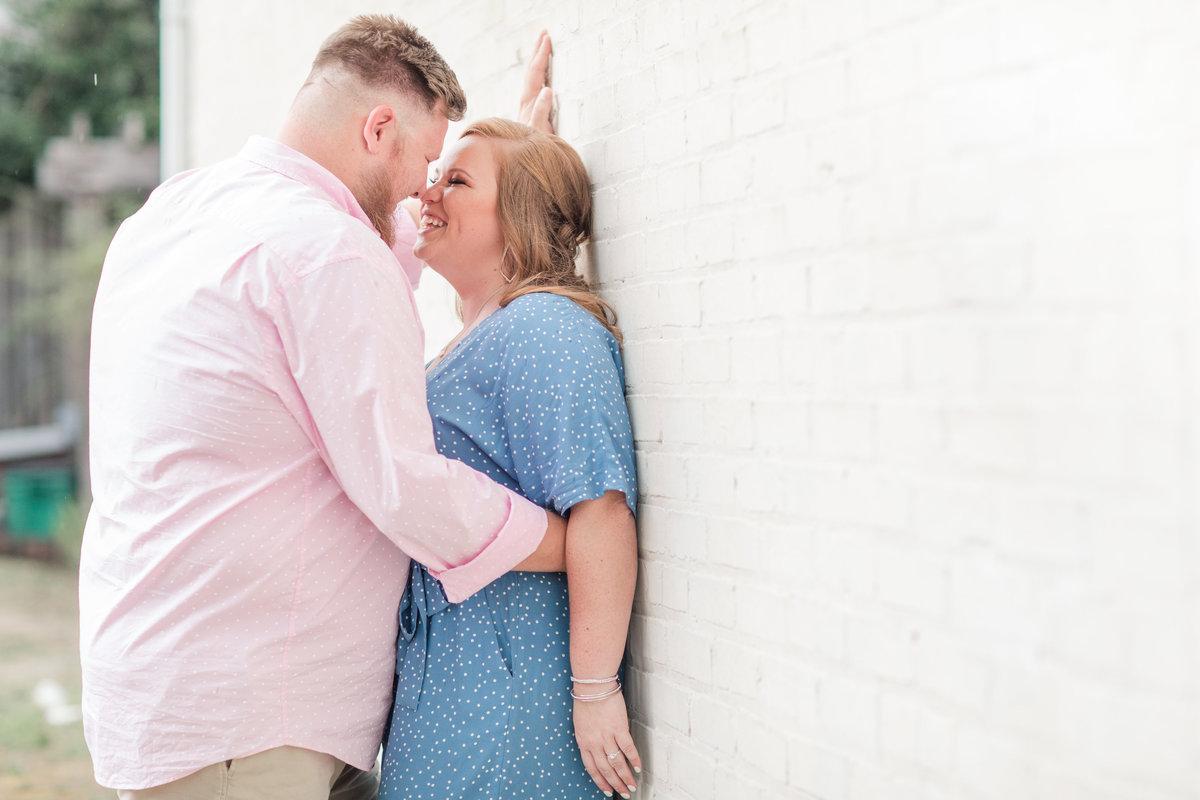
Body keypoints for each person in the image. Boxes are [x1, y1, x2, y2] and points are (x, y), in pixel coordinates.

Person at [80, 16, 562, 800]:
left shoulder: (172, 213)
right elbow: (407, 487)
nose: (425, 190)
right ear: (379, 128)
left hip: (171, 693)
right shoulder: (329, 252)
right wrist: (575, 541)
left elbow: (376, 238)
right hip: (252, 727)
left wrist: (518, 177)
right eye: (427, 160)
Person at [376, 119, 641, 800]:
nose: (428, 194)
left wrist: (595, 690)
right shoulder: (488, 335)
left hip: (506, 707)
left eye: (455, 181)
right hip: (450, 691)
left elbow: (601, 509)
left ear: (519, 214)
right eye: (435, 177)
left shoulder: (544, 328)